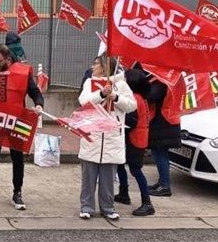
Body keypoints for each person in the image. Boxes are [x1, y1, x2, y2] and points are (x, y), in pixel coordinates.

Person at [0, 44, 44, 210]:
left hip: (17, 120)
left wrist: (38, 104)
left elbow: (35, 92)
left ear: (8, 60)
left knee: (17, 157)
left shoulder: (22, 73)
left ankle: (17, 192)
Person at [77, 56, 136, 220]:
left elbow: (132, 106)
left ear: (104, 67)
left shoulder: (121, 85)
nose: (92, 66)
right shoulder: (89, 82)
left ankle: (108, 208)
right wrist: (101, 94)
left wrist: (116, 98)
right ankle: (87, 207)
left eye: (95, 63)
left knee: (108, 178)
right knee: (88, 177)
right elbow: (83, 101)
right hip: (92, 136)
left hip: (112, 138)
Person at [115, 67, 155, 217]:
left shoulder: (134, 98)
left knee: (136, 170)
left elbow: (131, 121)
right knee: (119, 164)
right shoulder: (141, 97)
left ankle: (147, 203)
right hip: (138, 138)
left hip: (134, 139)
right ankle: (123, 193)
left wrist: (118, 128)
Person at [147, 77, 181, 197]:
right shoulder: (169, 79)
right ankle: (162, 182)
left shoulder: (162, 81)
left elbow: (150, 97)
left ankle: (164, 186)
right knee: (161, 155)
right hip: (166, 121)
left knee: (160, 155)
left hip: (163, 123)